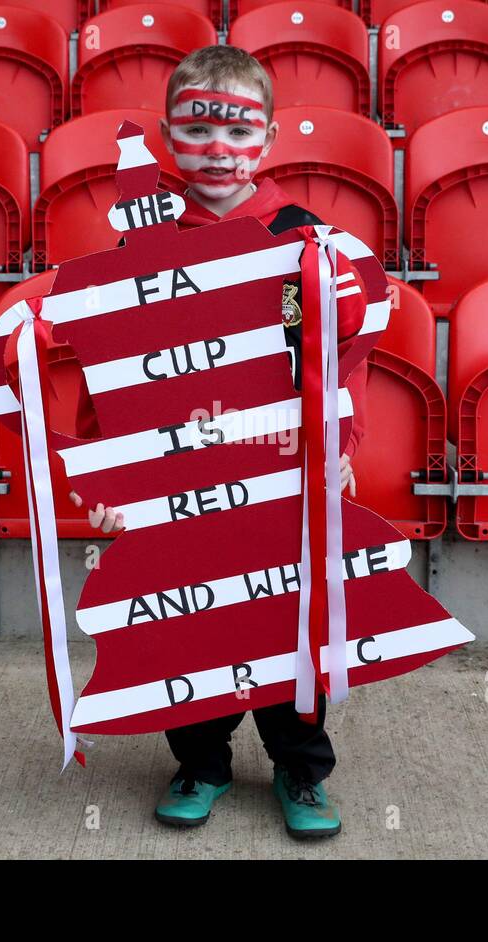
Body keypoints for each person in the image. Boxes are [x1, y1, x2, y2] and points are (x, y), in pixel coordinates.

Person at [70, 45, 370, 839]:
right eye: (197, 127)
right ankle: (200, 760)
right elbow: (112, 367)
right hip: (176, 479)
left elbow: (339, 356)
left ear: (268, 141)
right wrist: (107, 478)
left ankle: (301, 770)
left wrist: (337, 443)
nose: (216, 147)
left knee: (282, 619)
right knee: (189, 622)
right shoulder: (141, 246)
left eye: (236, 129)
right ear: (169, 138)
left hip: (277, 472)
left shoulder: (307, 240)